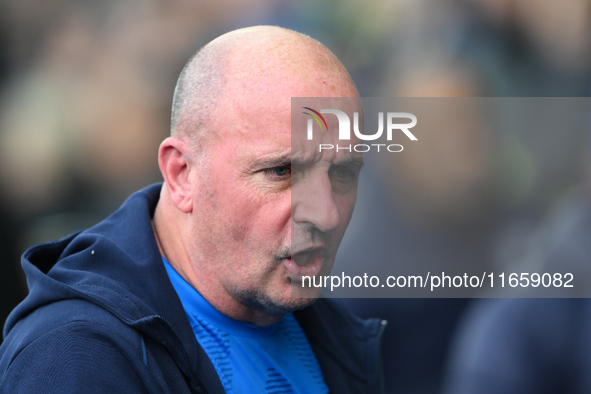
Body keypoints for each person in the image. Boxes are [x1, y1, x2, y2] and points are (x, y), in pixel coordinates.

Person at [0, 26, 384, 393]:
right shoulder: (77, 356)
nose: (326, 215)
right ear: (182, 174)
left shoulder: (332, 332)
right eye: (281, 171)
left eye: (343, 173)